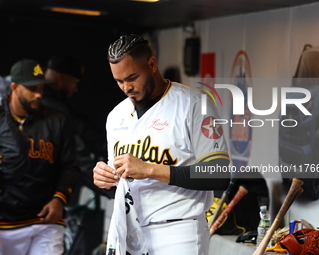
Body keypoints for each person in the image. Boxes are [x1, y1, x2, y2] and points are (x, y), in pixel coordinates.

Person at [93, 34, 231, 254]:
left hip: (179, 230)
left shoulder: (194, 104)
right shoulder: (116, 115)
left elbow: (219, 173)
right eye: (119, 81)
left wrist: (149, 169)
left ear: (152, 64)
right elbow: (121, 185)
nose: (126, 87)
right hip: (130, 228)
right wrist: (106, 181)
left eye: (132, 77)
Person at [0, 59, 79, 255]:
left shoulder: (57, 120)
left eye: (42, 88)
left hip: (45, 220)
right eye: (32, 88)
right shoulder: (2, 120)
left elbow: (70, 166)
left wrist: (60, 199)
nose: (39, 94)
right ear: (15, 87)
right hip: (4, 222)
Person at [43, 52, 109, 202]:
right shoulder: (53, 109)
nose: (76, 88)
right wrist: (112, 190)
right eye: (75, 82)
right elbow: (78, 159)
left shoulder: (48, 101)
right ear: (61, 77)